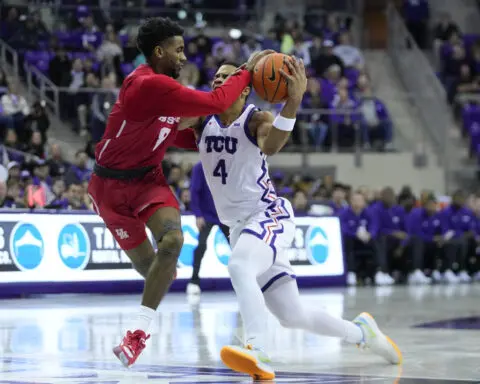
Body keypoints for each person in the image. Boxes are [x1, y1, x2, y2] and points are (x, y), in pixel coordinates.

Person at [186, 58, 402, 381]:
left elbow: (272, 145)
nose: (218, 80)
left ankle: (257, 348)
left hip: (268, 215)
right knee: (292, 315)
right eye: (215, 76)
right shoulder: (202, 120)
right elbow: (167, 120)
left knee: (239, 266)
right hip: (240, 228)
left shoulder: (255, 119)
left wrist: (294, 100)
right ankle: (362, 333)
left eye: (227, 77)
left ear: (244, 89)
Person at [86, 17, 272, 368]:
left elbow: (195, 135)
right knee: (160, 272)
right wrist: (245, 71)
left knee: (172, 242)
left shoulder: (165, 93)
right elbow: (216, 102)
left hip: (147, 181)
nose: (185, 57)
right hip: (109, 188)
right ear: (159, 52)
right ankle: (152, 298)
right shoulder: (147, 85)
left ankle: (137, 335)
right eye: (179, 49)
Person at [187, 161, 229, 295]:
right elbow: (194, 191)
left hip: (226, 214)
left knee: (238, 247)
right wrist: (198, 214)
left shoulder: (229, 163)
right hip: (206, 215)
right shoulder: (200, 167)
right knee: (201, 245)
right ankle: (194, 280)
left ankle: (248, 281)